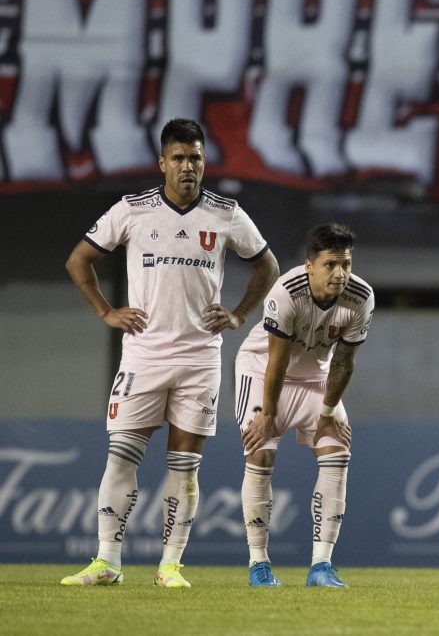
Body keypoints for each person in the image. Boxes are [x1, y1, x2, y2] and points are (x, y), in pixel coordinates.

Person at [61, 118, 279, 588]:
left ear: (204, 163)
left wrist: (240, 313)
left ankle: (169, 566)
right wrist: (106, 312)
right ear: (162, 163)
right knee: (121, 457)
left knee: (184, 466)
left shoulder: (226, 213)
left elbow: (267, 264)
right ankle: (107, 562)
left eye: (195, 158)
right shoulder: (132, 210)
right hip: (144, 355)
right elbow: (79, 260)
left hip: (200, 358)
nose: (187, 166)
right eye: (178, 158)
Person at [234, 223, 373, 588]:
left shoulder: (361, 297)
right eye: (330, 264)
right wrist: (267, 414)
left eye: (346, 264)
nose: (340, 274)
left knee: (337, 452)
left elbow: (344, 362)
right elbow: (276, 361)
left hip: (316, 378)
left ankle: (321, 566)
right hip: (262, 371)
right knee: (260, 455)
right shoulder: (285, 292)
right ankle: (259, 564)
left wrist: (328, 413)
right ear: (310, 265)